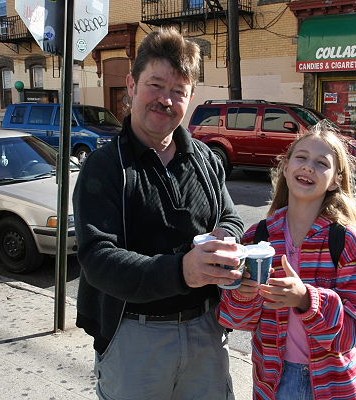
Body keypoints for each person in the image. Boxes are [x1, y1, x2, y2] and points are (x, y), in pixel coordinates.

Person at [72, 27, 244, 400]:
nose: (166, 100)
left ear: (190, 98)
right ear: (132, 85)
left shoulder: (205, 159)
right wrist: (182, 271)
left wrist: (223, 238)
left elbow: (231, 217)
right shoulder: (105, 167)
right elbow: (98, 259)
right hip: (134, 335)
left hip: (206, 330)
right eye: (156, 85)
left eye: (178, 91)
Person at [218, 123, 356, 400]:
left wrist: (305, 299)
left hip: (335, 385)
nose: (309, 167)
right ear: (286, 167)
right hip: (274, 382)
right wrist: (243, 294)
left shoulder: (346, 242)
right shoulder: (257, 239)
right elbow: (235, 318)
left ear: (335, 180)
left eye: (321, 163)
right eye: (301, 157)